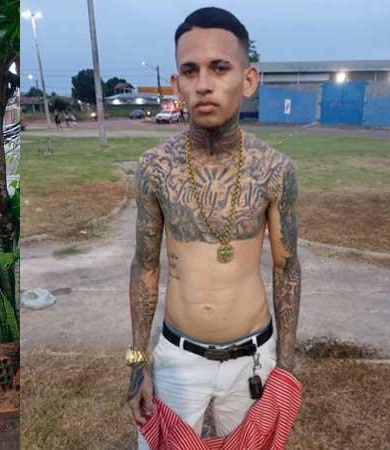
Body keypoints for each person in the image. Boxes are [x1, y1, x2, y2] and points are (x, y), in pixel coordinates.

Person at [125, 7, 301, 448]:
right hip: (177, 357)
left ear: (248, 79)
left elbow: (287, 267)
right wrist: (138, 361)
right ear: (176, 84)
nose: (203, 83)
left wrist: (286, 363)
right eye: (190, 70)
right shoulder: (155, 168)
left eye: (219, 67)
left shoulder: (275, 169)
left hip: (254, 359)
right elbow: (145, 266)